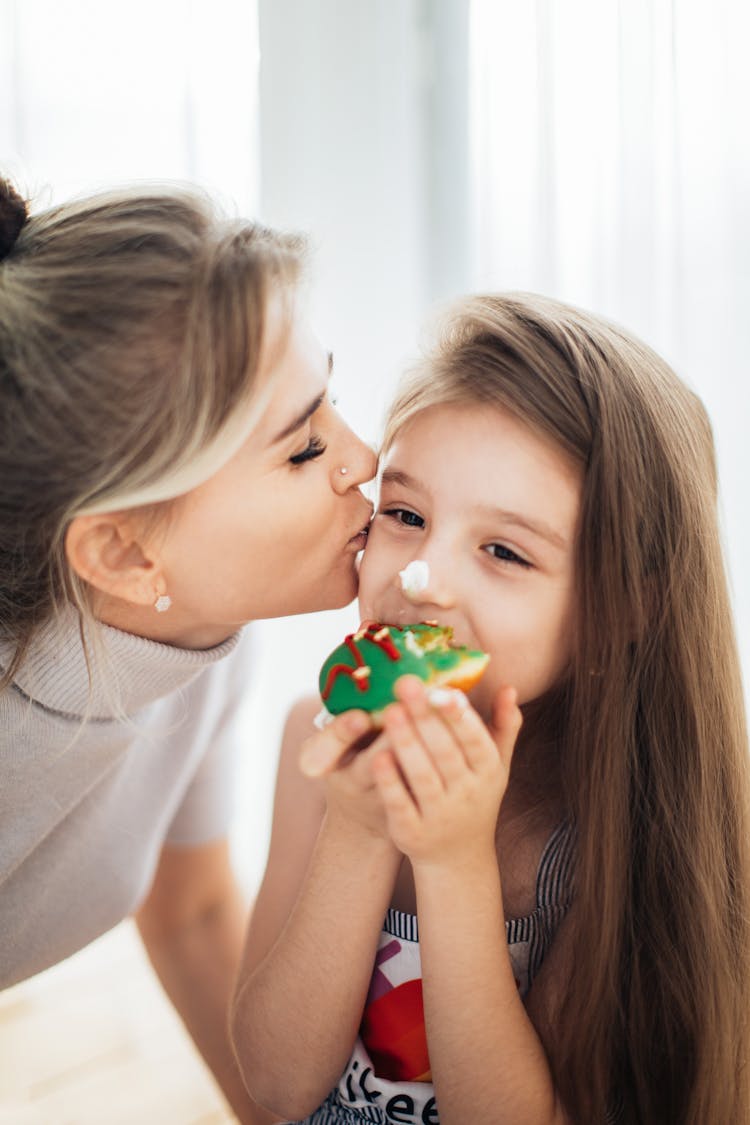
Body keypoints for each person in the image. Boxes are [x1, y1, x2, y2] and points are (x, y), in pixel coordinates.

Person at [230, 293, 750, 1124]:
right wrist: (360, 828)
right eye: (404, 515)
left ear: (623, 609)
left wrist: (453, 861)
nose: (422, 578)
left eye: (503, 551)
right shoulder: (316, 741)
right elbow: (276, 1082)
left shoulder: (613, 823)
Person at [0, 176, 376, 1125]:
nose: (364, 457)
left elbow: (194, 911)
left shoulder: (200, 628)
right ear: (123, 551)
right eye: (301, 448)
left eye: (330, 401)